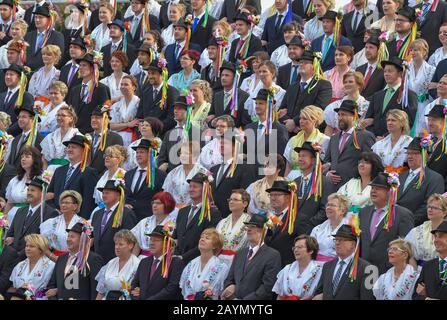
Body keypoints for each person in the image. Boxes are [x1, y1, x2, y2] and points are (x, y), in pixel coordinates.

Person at [359, 172, 414, 274]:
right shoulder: (363, 212)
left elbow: (406, 246)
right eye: (372, 188)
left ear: (389, 192)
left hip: (389, 270)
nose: (373, 191)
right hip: (364, 268)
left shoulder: (403, 215)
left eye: (378, 189)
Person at [221, 214, 282, 300]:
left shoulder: (272, 255)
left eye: (253, 227)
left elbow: (267, 287)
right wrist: (230, 287)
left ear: (263, 231)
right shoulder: (240, 253)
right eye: (248, 226)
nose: (248, 229)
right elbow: (229, 279)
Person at [324, 100, 375, 192]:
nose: (340, 117)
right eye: (338, 115)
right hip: (332, 188)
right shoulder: (334, 138)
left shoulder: (365, 136)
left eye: (343, 114)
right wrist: (328, 173)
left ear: (354, 117)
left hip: (353, 188)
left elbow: (369, 161)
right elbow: (327, 161)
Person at [313, 224, 374, 300]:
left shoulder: (368, 269)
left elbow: (367, 297)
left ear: (353, 244)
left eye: (341, 240)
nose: (337, 243)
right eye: (336, 239)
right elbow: (319, 292)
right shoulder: (327, 266)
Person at [45, 222, 104, 300]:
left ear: (82, 239)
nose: (68, 239)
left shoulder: (93, 259)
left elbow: (96, 289)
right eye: (68, 236)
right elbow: (52, 286)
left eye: (72, 237)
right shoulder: (61, 259)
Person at [278, 51, 332, 133]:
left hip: (311, 133)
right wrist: (288, 123)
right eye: (300, 62)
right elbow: (282, 109)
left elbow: (318, 108)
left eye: (305, 62)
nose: (301, 64)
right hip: (288, 131)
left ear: (314, 66)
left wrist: (295, 122)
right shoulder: (292, 87)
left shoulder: (324, 85)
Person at [46, 135, 99, 219]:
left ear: (83, 150)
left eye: (74, 147)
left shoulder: (89, 172)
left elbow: (88, 202)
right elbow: (49, 195)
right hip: (57, 218)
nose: (70, 149)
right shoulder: (59, 171)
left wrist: (81, 222)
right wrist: (55, 211)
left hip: (76, 219)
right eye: (69, 147)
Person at [173, 172, 221, 264]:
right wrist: (176, 255)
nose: (191, 189)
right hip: (178, 261)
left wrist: (183, 257)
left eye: (194, 187)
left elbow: (208, 240)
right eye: (190, 186)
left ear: (204, 189)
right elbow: (176, 237)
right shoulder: (182, 211)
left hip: (198, 261)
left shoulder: (212, 213)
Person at [5, 176, 58, 259]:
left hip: (32, 258)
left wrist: (19, 255)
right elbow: (10, 234)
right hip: (12, 257)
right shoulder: (20, 211)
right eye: (28, 190)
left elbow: (43, 241)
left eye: (32, 190)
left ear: (42, 193)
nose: (29, 193)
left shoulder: (50, 213)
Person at [397, 137, 444, 227]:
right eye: (408, 153)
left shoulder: (434, 178)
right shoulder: (400, 176)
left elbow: (429, 206)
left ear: (426, 155)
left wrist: (406, 223)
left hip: (416, 226)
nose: (410, 156)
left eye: (415, 153)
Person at [130, 224, 184, 300]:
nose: (151, 243)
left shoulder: (175, 262)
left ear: (166, 243)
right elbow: (134, 284)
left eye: (156, 240)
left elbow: (171, 289)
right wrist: (135, 293)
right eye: (151, 239)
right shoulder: (144, 262)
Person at [210, 131, 257, 217]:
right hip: (213, 216)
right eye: (220, 143)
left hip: (233, 216)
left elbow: (246, 193)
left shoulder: (244, 167)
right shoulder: (213, 169)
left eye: (225, 143)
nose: (222, 145)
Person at [91, 180, 137, 263]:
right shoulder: (97, 214)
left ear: (118, 195)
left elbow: (130, 238)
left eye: (107, 193)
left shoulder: (126, 213)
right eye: (103, 193)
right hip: (97, 260)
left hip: (117, 260)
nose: (104, 195)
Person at [66, 53, 111, 134]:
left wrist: (96, 115)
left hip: (92, 131)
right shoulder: (75, 89)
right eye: (80, 65)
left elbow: (106, 108)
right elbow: (70, 109)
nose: (81, 68)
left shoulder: (101, 88)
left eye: (84, 65)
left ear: (93, 68)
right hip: (74, 131)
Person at [179, 228, 229, 300]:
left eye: (207, 238)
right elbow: (184, 289)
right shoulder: (191, 264)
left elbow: (219, 292)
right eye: (201, 237)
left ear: (214, 246)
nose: (202, 239)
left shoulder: (221, 267)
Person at [124, 139, 167, 221]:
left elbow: (161, 198)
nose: (138, 155)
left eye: (142, 152)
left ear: (150, 154)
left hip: (148, 218)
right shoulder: (128, 174)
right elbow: (124, 194)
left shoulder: (160, 175)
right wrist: (125, 205)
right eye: (137, 152)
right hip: (128, 218)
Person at [136, 56, 179, 134]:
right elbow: (140, 115)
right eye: (149, 73)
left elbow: (172, 118)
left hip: (163, 133)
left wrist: (154, 129)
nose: (150, 76)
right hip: (145, 133)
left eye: (153, 73)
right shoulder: (145, 91)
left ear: (162, 74)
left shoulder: (172, 92)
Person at [284, 105, 329, 179]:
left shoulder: (324, 140)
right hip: (292, 178)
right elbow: (288, 166)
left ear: (314, 120)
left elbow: (326, 165)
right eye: (300, 118)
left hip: (313, 179)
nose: (301, 121)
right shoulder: (293, 140)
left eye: (305, 119)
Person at [273, 235, 323, 300]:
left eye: (300, 247)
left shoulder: (319, 270)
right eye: (294, 247)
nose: (296, 250)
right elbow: (280, 296)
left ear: (311, 250)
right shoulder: (287, 269)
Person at [95, 230, 140, 300]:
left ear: (130, 245)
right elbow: (100, 292)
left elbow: (137, 291)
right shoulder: (110, 263)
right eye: (116, 244)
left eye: (121, 244)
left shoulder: (137, 264)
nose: (117, 247)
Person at [8, 234, 55, 300]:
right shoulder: (20, 265)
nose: (28, 248)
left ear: (41, 249)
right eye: (26, 246)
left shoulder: (51, 266)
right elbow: (12, 287)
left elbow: (49, 292)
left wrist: (31, 294)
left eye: (32, 246)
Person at [40, 191, 85, 259]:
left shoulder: (84, 223)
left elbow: (90, 240)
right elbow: (42, 243)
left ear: (75, 206)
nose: (63, 205)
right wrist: (53, 257)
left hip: (76, 259)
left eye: (67, 203)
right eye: (62, 202)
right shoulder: (51, 222)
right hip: (53, 259)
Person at [131, 192, 177, 259]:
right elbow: (136, 244)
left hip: (163, 261)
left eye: (158, 203)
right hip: (142, 260)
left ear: (167, 204)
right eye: (153, 203)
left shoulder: (173, 223)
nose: (154, 205)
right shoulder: (144, 222)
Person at [207, 61, 251, 129]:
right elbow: (211, 116)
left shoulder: (244, 96)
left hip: (234, 136)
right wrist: (212, 122)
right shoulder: (217, 95)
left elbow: (245, 122)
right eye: (222, 75)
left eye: (227, 75)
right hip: (218, 135)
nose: (223, 78)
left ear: (235, 78)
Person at [323, 71, 369, 136]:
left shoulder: (367, 106)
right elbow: (329, 129)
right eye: (345, 82)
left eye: (350, 82)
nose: (347, 84)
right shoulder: (334, 106)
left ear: (359, 85)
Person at [4, 147, 43, 224]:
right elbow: (10, 202)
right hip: (12, 216)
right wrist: (4, 216)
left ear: (35, 159)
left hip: (29, 216)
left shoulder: (41, 178)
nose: (23, 159)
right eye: (22, 157)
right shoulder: (15, 179)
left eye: (27, 157)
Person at [162, 141, 205, 207]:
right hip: (174, 210)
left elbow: (207, 196)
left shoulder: (203, 172)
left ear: (195, 155)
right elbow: (166, 194)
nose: (182, 156)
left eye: (186, 153)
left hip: (196, 210)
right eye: (181, 153)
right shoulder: (173, 172)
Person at [407, 39, 435, 137]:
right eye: (411, 50)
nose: (413, 52)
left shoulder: (431, 70)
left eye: (416, 50)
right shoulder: (406, 68)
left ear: (424, 52)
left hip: (422, 106)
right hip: (408, 105)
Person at [413, 220, 447, 300]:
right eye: (435, 236)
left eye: (441, 236)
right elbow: (415, 295)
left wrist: (427, 294)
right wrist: (426, 298)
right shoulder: (428, 266)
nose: (436, 240)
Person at [216, 189, 251, 266]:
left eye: (235, 200)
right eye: (230, 199)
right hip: (218, 262)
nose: (231, 202)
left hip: (238, 263)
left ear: (245, 203)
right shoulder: (222, 222)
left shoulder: (250, 223)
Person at [311, 194, 350, 262]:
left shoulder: (350, 229)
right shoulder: (317, 229)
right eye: (328, 205)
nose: (328, 207)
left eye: (332, 205)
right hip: (316, 266)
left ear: (343, 211)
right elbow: (310, 250)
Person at [23, 5, 64, 71]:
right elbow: (25, 55)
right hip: (28, 73)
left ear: (48, 19)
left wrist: (41, 71)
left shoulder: (56, 36)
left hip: (47, 74)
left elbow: (58, 59)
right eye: (35, 17)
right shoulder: (28, 35)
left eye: (40, 17)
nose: (37, 20)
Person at [40, 105, 79, 174]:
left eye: (63, 115)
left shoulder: (77, 136)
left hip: (68, 171)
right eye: (58, 115)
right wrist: (45, 174)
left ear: (71, 118)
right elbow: (44, 159)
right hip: (50, 172)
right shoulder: (50, 136)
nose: (59, 118)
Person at [88, 106, 124, 175]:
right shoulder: (87, 136)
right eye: (92, 118)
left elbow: (116, 162)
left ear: (106, 120)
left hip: (103, 179)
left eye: (97, 118)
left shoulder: (115, 138)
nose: (93, 120)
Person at [0, 63, 34, 136]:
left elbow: (26, 118)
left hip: (16, 137)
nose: (8, 77)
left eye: (11, 74)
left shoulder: (26, 96)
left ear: (19, 78)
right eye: (6, 74)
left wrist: (6, 132)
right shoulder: (1, 95)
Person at [229, 11, 263, 80]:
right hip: (235, 76)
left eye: (241, 25)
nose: (237, 27)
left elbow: (253, 61)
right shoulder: (234, 42)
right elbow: (231, 60)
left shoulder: (255, 41)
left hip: (248, 77)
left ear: (248, 26)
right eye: (236, 25)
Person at [355, 33, 386, 100]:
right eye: (366, 47)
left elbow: (382, 92)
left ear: (379, 50)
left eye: (371, 47)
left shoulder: (384, 71)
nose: (367, 50)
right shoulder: (359, 69)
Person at [425, 104, 447, 188]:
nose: (429, 123)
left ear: (444, 121)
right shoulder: (427, 141)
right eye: (429, 119)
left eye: (433, 120)